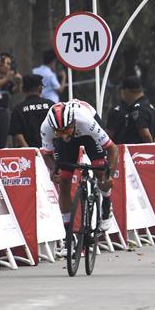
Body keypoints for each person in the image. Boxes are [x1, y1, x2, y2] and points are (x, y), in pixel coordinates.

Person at [40, 100, 120, 234]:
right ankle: (68, 234)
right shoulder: (46, 127)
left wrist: (109, 175)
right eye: (59, 133)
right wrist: (54, 170)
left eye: (66, 130)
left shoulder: (86, 121)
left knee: (100, 169)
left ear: (73, 123)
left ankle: (106, 202)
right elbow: (47, 154)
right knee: (64, 180)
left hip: (88, 134)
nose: (64, 135)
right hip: (69, 139)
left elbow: (113, 149)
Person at [9, 74, 54, 148]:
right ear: (40, 89)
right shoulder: (51, 105)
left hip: (28, 155)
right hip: (49, 151)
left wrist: (31, 152)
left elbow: (18, 134)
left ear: (23, 90)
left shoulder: (18, 109)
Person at [108, 76, 155, 144]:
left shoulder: (138, 109)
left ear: (126, 91)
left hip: (137, 151)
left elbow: (145, 134)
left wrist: (151, 147)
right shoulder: (148, 105)